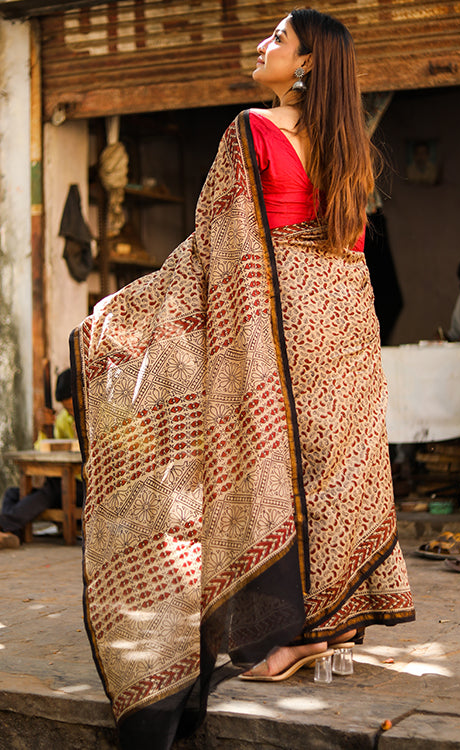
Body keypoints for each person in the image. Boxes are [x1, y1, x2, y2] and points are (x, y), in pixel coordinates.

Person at [70, 9, 415, 749]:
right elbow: (348, 245)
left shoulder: (251, 130)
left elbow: (216, 241)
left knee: (281, 476)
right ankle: (320, 630)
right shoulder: (349, 146)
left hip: (282, 310)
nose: (261, 46)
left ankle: (299, 634)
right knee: (330, 473)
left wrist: (124, 314)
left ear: (308, 64)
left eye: (277, 39)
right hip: (346, 314)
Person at [0, 369, 80, 549]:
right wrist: (42, 429)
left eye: (73, 407)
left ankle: (4, 527)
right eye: (67, 409)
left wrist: (83, 436)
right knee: (13, 493)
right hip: (64, 486)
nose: (71, 413)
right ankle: (10, 534)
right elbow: (47, 453)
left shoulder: (101, 417)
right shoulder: (63, 420)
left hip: (87, 490)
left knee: (51, 488)